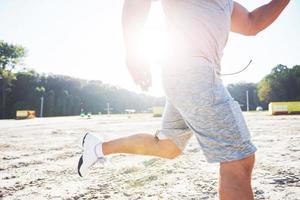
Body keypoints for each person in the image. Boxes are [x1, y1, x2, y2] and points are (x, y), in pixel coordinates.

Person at [78, 0, 290, 199]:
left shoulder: (225, 2)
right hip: (191, 71)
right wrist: (133, 51)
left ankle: (97, 148)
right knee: (239, 158)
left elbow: (251, 23)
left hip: (190, 75)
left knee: (168, 147)